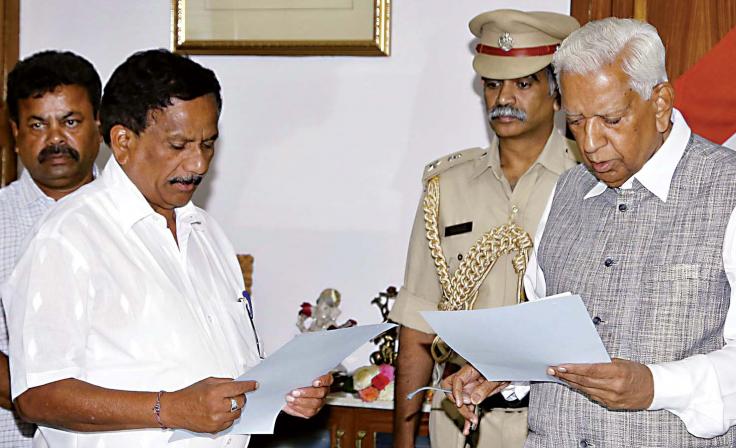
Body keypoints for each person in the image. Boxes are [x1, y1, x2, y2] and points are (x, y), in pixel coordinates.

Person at [443, 17, 736, 447]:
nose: (591, 143)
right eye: (575, 122)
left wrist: (658, 385)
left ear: (661, 103)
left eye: (610, 119)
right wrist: (501, 366)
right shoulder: (567, 190)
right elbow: (542, 330)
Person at [1, 49, 332, 447]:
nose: (198, 164)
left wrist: (282, 391)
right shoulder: (68, 236)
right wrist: (169, 408)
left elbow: (225, 369)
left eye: (208, 144)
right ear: (122, 141)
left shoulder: (205, 232)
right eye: (179, 145)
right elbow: (37, 395)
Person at [388, 10, 580, 448]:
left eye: (523, 83)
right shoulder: (448, 187)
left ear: (557, 94)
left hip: (558, 417)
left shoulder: (588, 180)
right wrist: (403, 437)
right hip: (461, 423)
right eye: (493, 85)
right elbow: (417, 320)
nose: (503, 98)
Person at [0, 50, 103, 447]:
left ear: (99, 124)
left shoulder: (140, 222)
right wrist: (42, 399)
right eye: (38, 124)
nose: (55, 139)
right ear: (15, 132)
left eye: (71, 121)